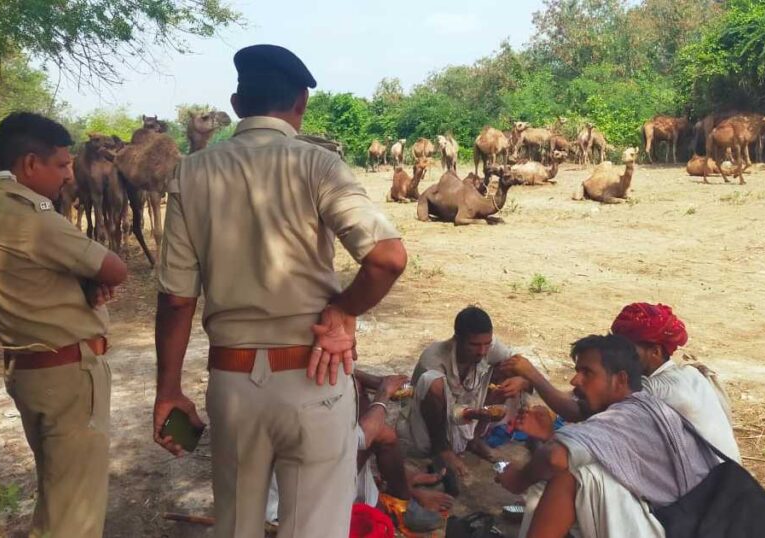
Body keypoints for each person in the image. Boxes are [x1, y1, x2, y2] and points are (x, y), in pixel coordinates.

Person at [152, 44, 407, 538]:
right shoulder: (319, 165)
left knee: (235, 526)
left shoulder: (191, 172)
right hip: (314, 377)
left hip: (232, 386)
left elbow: (177, 299)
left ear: (238, 103)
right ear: (300, 105)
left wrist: (168, 389)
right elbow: (388, 257)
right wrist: (341, 311)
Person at [0, 112, 128, 538]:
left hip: (28, 371)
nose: (70, 175)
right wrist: (94, 276)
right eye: (63, 164)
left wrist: (80, 284)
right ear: (30, 164)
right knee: (75, 513)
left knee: (57, 494)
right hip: (68, 375)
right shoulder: (31, 218)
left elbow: (36, 279)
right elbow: (115, 268)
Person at [497, 334, 719, 538]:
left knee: (576, 475)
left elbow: (556, 458)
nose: (575, 381)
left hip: (684, 527)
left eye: (587, 372)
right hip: (688, 521)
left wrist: (518, 480)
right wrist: (550, 437)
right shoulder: (649, 407)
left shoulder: (626, 417)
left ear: (620, 380)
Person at [265, 371, 453, 533]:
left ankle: (398, 493)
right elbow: (364, 438)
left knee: (360, 398)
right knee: (380, 433)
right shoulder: (303, 395)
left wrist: (374, 380)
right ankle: (400, 504)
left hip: (307, 480)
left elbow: (350, 370)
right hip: (292, 511)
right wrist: (383, 395)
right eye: (350, 348)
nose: (354, 354)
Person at [399, 306, 532, 480]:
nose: (482, 351)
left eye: (487, 344)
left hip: (468, 417)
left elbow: (524, 365)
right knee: (433, 382)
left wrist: (523, 381)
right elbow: (436, 408)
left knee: (512, 368)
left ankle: (473, 440)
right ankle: (443, 451)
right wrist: (470, 413)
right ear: (457, 339)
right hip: (429, 426)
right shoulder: (433, 358)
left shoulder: (488, 347)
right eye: (475, 345)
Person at [610, 302, 739, 460]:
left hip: (710, 482)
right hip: (730, 475)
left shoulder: (657, 389)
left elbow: (596, 408)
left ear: (655, 352)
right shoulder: (690, 373)